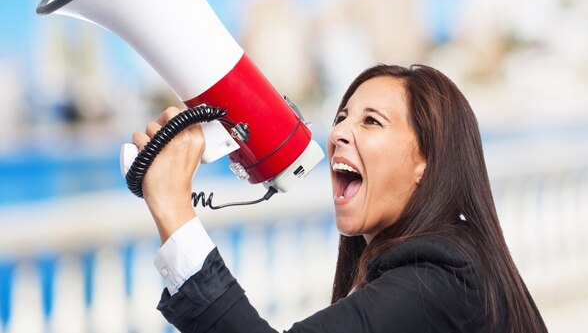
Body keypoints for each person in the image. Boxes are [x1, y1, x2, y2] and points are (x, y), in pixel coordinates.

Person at [132, 64, 548, 332]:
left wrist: (172, 207)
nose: (339, 133)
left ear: (427, 162)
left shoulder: (440, 278)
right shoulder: (440, 262)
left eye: (371, 121)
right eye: (343, 117)